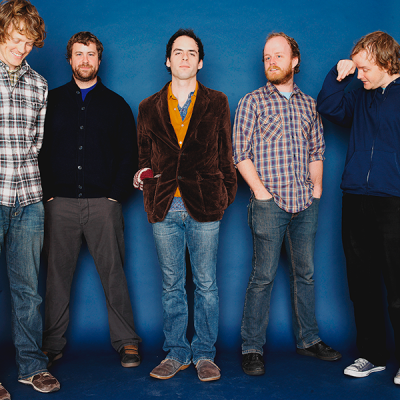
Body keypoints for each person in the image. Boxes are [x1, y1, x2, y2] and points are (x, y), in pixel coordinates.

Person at [233, 32, 341, 376]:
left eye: (278, 56)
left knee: (304, 274)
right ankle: (252, 347)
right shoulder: (252, 102)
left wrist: (317, 189)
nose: (271, 62)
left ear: (294, 61)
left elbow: (316, 150)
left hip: (305, 203)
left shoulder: (309, 105)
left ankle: (308, 339)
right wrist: (261, 193)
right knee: (263, 276)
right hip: (268, 204)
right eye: (267, 57)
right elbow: (240, 153)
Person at [134, 28, 237, 382]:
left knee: (206, 284)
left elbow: (225, 153)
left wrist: (224, 195)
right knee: (172, 286)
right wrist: (146, 183)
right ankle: (177, 352)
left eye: (191, 53)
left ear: (200, 62)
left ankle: (204, 353)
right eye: (178, 52)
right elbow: (144, 157)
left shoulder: (217, 102)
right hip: (164, 207)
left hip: (205, 205)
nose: (184, 57)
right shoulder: (147, 107)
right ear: (168, 60)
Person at [40, 31, 141, 369]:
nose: (85, 60)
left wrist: (114, 197)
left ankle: (127, 341)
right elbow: (38, 150)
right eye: (79, 54)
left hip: (103, 205)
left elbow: (128, 155)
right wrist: (48, 195)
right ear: (69, 59)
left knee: (114, 275)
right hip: (59, 205)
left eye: (91, 54)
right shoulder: (51, 101)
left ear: (99, 59)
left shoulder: (116, 105)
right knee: (56, 278)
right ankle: (51, 344)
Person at [317, 31, 400, 384]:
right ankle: (372, 355)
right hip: (355, 198)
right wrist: (340, 74)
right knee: (361, 284)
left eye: (365, 69)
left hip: (393, 201)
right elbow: (328, 106)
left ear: (386, 63)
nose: (360, 75)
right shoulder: (359, 95)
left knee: (397, 287)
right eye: (358, 69)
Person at [0, 0, 60, 394]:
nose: (22, 49)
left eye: (29, 43)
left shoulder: (39, 84)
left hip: (28, 198)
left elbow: (35, 144)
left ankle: (31, 366)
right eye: (16, 39)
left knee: (27, 290)